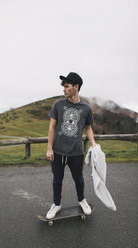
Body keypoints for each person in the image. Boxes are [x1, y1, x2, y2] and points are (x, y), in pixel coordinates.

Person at [46, 72, 98, 220]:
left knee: (79, 179)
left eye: (67, 86)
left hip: (76, 152)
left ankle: (82, 200)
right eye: (63, 86)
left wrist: (93, 143)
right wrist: (49, 148)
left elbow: (88, 128)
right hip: (58, 151)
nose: (64, 89)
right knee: (57, 180)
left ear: (76, 87)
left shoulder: (86, 109)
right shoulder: (58, 104)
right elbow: (51, 128)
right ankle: (56, 204)